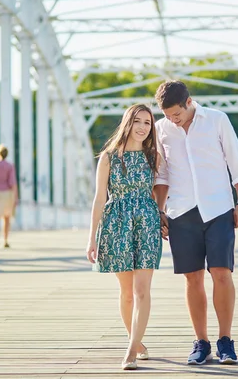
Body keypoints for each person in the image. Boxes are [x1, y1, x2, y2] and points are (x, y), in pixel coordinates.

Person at [153, 80, 238, 365]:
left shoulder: (217, 120)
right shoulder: (161, 129)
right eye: (168, 115)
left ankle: (225, 341)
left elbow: (236, 162)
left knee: (221, 273)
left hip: (219, 208)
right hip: (180, 212)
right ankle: (201, 342)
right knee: (192, 278)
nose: (173, 119)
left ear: (189, 101)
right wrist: (160, 211)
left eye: (176, 114)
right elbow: (161, 175)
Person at [86, 104, 163, 370]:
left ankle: (131, 350)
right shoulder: (108, 157)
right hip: (116, 223)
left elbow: (160, 191)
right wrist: (92, 237)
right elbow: (99, 199)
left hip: (147, 223)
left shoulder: (154, 156)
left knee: (142, 290)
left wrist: (163, 215)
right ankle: (137, 341)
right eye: (138, 121)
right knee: (127, 292)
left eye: (148, 123)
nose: (143, 127)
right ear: (127, 123)